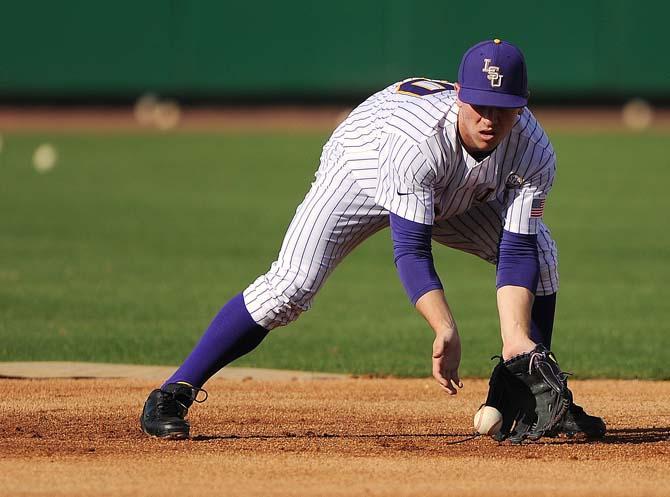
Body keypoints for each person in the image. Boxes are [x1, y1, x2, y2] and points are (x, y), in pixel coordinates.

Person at [140, 39, 605, 441]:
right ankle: (174, 392)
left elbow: (519, 248)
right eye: (480, 104)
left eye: (503, 109)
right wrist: (444, 327)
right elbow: (410, 249)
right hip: (361, 166)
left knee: (542, 253)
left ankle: (528, 396)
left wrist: (516, 340)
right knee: (290, 288)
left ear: (522, 106)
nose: (490, 119)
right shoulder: (418, 142)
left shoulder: (535, 151)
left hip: (450, 190)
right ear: (459, 95)